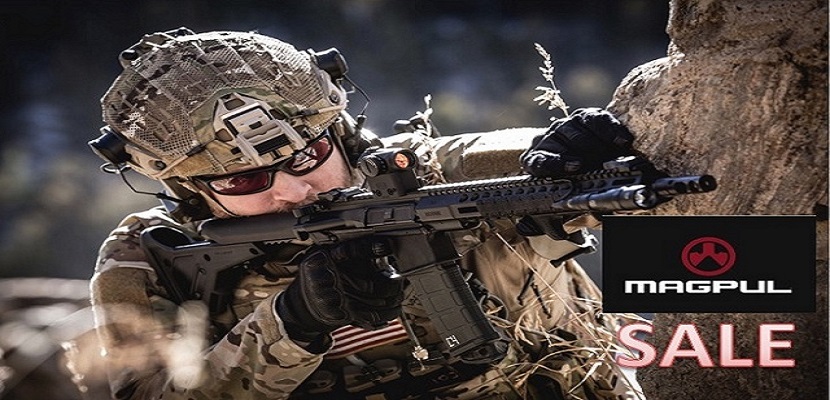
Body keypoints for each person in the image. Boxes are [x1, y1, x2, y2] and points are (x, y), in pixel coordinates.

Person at [87, 28, 641, 400]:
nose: (294, 190)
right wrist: (291, 323)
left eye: (309, 154)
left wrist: (578, 149)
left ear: (340, 131)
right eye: (244, 180)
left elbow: (503, 159)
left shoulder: (424, 176)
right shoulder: (149, 256)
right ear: (187, 188)